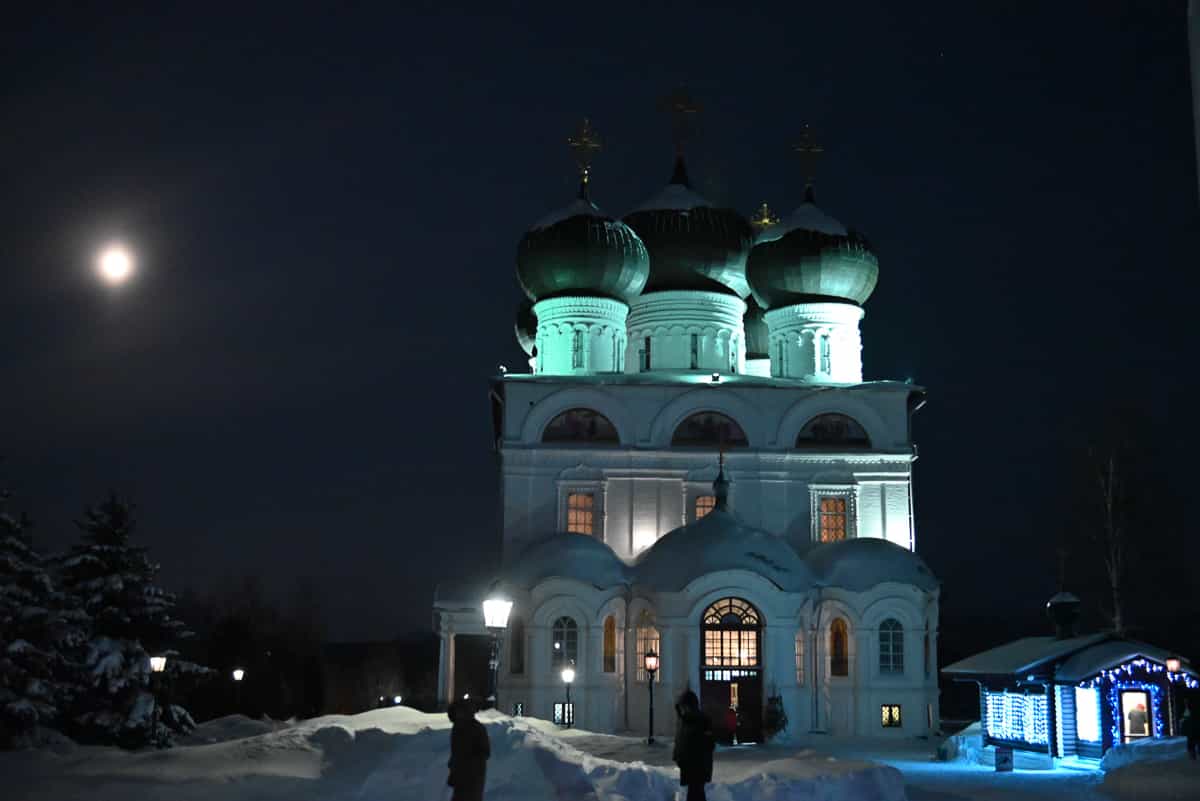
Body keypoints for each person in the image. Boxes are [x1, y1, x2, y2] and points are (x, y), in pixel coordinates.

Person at [673, 690, 715, 801]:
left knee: (696, 793)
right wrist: (677, 757)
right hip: (689, 765)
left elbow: (709, 744)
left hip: (698, 766)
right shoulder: (683, 720)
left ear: (689, 706)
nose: (682, 709)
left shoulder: (701, 720)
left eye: (684, 706)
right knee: (694, 793)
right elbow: (680, 740)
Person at [446, 699, 490, 801]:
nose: (458, 716)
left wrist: (468, 763)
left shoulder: (476, 728)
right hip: (461, 776)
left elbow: (485, 752)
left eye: (459, 713)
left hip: (473, 776)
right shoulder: (457, 728)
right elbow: (456, 752)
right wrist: (453, 767)